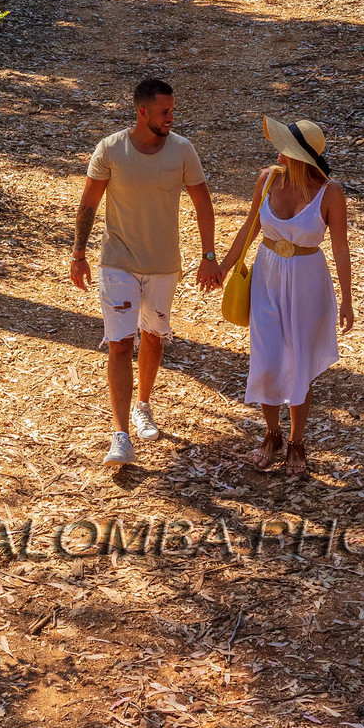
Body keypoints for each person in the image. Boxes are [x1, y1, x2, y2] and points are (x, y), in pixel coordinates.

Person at [71, 75, 222, 466]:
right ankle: (120, 435)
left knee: (153, 338)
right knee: (120, 344)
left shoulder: (183, 151)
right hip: (117, 262)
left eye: (172, 110)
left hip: (162, 266)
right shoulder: (111, 149)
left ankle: (143, 405)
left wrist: (209, 256)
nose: (171, 117)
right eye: (164, 111)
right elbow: (88, 203)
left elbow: (203, 203)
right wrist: (78, 254)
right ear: (142, 112)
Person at [217, 113, 354, 480]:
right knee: (267, 355)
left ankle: (296, 441)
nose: (278, 153)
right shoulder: (267, 179)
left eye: (285, 149)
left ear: (299, 157)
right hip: (267, 273)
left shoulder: (330, 193)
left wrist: (347, 299)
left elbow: (340, 249)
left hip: (308, 280)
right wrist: (223, 266)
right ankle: (272, 434)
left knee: (298, 360)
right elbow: (249, 227)